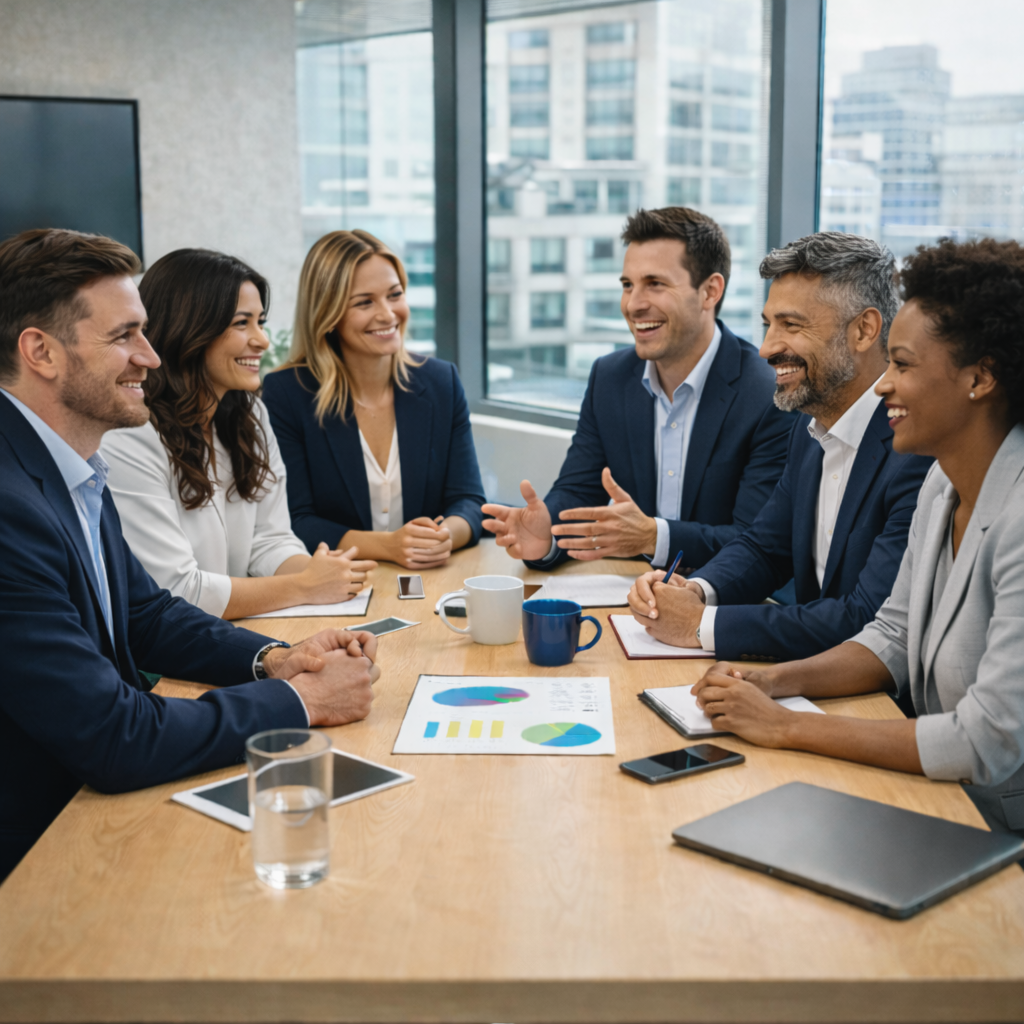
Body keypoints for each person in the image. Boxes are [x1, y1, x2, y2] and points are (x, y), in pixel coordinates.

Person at [0, 228, 381, 882]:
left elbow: (146, 614)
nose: (150, 356)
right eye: (124, 336)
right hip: (40, 848)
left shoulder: (71, 465)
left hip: (90, 804)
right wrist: (300, 701)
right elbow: (114, 736)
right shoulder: (11, 506)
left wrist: (274, 659)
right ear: (41, 352)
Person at [689, 238, 1024, 838]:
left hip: (999, 829)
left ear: (980, 378)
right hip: (940, 801)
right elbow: (892, 634)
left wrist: (787, 725)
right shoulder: (943, 485)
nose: (883, 386)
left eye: (903, 366)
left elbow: (986, 739)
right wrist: (772, 681)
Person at [627, 233, 932, 662]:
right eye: (768, 324)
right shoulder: (808, 428)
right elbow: (765, 548)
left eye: (791, 325)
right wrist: (695, 590)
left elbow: (868, 618)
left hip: (876, 692)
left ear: (864, 330)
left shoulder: (918, 447)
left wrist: (700, 625)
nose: (767, 348)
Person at [481, 206, 793, 574]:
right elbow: (579, 491)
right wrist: (546, 537)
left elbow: (755, 543)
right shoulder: (609, 378)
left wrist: (652, 538)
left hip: (726, 601)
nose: (633, 304)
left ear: (710, 291)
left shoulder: (767, 393)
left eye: (655, 284)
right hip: (632, 591)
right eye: (627, 285)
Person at [100, 249, 376, 619]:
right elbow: (177, 591)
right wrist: (304, 586)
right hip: (170, 648)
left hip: (238, 628)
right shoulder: (129, 434)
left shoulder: (250, 414)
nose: (262, 340)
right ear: (189, 329)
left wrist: (322, 574)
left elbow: (270, 539)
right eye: (241, 323)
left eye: (260, 322)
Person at [262, 230, 485, 570]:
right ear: (328, 314)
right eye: (364, 302)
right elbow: (295, 521)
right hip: (341, 584)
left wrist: (442, 537)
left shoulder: (442, 382)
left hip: (431, 579)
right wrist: (389, 546)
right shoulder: (287, 393)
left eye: (395, 295)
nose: (388, 314)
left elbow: (468, 500)